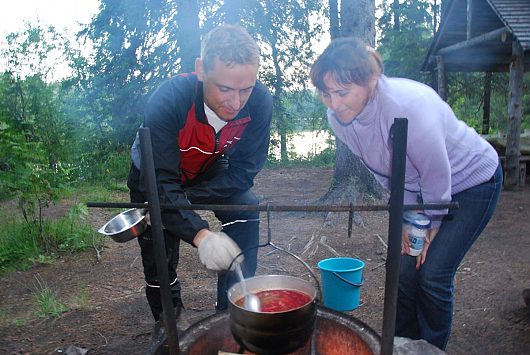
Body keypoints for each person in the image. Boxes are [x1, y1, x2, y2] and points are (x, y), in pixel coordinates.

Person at [310, 37, 502, 350]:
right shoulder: (338, 119)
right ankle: (401, 345)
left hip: (471, 182)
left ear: (371, 78)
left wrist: (432, 222)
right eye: (326, 93)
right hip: (420, 188)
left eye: (342, 92)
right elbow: (385, 171)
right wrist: (409, 216)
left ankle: (430, 348)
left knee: (433, 274)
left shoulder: (408, 106)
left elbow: (436, 172)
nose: (334, 103)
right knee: (405, 272)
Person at [127, 24, 272, 347]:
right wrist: (201, 234)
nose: (236, 102)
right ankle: (169, 319)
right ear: (200, 71)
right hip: (153, 173)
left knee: (245, 208)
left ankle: (233, 314)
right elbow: (161, 181)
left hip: (208, 169)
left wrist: (183, 202)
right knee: (159, 249)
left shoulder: (260, 101)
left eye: (245, 89)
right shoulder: (170, 99)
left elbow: (244, 171)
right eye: (225, 89)